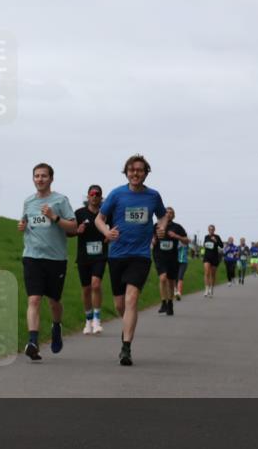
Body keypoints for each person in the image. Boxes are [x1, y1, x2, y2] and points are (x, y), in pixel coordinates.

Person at [95, 154, 169, 366]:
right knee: (120, 304)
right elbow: (99, 219)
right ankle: (126, 328)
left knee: (131, 299)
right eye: (131, 170)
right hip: (117, 254)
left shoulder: (153, 196)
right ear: (126, 172)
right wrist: (107, 233)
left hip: (140, 255)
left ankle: (126, 348)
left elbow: (162, 216)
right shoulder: (117, 194)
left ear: (146, 173)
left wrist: (161, 227)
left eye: (139, 170)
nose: (135, 173)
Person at [19, 163, 77, 358]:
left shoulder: (60, 200)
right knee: (34, 299)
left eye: (44, 176)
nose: (40, 179)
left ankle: (56, 326)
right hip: (32, 256)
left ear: (51, 179)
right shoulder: (28, 202)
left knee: (54, 302)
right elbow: (26, 221)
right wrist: (23, 225)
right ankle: (33, 341)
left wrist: (54, 217)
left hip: (56, 259)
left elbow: (73, 228)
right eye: (36, 176)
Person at [72, 185, 108, 335]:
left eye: (97, 194)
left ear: (101, 197)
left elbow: (114, 228)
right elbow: (70, 231)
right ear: (88, 197)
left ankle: (97, 320)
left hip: (100, 255)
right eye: (92, 194)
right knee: (86, 289)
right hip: (84, 256)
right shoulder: (79, 213)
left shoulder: (106, 213)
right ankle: (88, 320)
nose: (94, 196)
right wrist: (77, 231)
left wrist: (109, 235)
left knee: (96, 284)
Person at [152, 207, 190, 315]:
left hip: (172, 257)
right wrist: (153, 240)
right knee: (162, 278)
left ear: (173, 216)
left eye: (171, 213)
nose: (168, 214)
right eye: (167, 212)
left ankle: (170, 303)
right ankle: (163, 302)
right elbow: (152, 237)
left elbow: (187, 241)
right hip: (159, 255)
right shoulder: (157, 225)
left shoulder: (177, 227)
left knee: (170, 281)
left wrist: (176, 236)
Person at [201, 225, 224, 297]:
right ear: (208, 230)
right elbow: (204, 245)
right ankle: (206, 289)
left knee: (213, 274)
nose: (211, 230)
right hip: (207, 256)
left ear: (214, 230)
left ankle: (211, 288)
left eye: (212, 229)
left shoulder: (217, 236)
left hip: (214, 257)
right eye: (210, 229)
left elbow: (221, 246)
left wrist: (216, 241)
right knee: (207, 272)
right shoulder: (206, 237)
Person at [175, 235, 191, 300]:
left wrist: (185, 240)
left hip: (184, 262)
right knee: (175, 277)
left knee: (180, 277)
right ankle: (175, 290)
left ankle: (179, 293)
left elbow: (189, 241)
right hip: (176, 261)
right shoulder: (176, 242)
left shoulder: (186, 243)